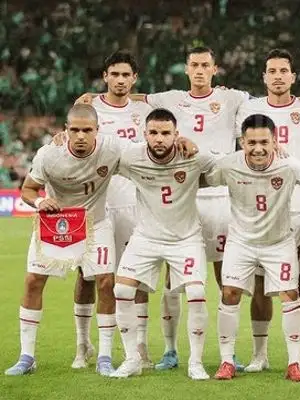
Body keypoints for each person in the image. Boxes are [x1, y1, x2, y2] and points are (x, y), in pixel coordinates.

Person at [77, 46, 300, 371]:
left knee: (228, 278)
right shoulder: (169, 99)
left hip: (221, 196)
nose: (199, 70)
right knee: (172, 278)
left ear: (214, 69)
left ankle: (230, 353)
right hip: (185, 196)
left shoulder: (235, 98)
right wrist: (94, 96)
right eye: (194, 64)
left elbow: (275, 94)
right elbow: (133, 96)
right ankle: (169, 349)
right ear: (186, 68)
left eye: (205, 65)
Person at [5, 104, 122, 376]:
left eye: (87, 130)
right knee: (33, 280)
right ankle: (27, 356)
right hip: (56, 224)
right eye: (75, 130)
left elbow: (148, 150)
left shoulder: (113, 149)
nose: (81, 136)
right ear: (65, 130)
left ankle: (104, 355)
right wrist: (41, 200)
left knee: (105, 282)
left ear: (97, 131)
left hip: (96, 223)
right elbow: (28, 190)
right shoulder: (49, 155)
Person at [206, 114, 300, 382]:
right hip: (240, 242)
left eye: (264, 142)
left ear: (275, 141)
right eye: (252, 142)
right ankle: (226, 361)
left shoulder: (289, 166)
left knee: (290, 294)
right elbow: (199, 177)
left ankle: (294, 364)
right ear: (242, 142)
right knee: (230, 293)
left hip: (279, 243)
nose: (258, 148)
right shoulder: (228, 164)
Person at [110, 108, 214, 379]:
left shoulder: (194, 156)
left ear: (176, 134)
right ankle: (133, 358)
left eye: (165, 133)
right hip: (146, 236)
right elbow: (99, 152)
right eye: (153, 133)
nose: (159, 138)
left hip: (186, 238)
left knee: (195, 294)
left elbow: (224, 165)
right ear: (144, 134)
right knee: (121, 289)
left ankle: (195, 362)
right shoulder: (131, 157)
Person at [235, 49, 300, 374]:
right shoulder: (249, 108)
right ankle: (260, 354)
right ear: (264, 77)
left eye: (284, 70)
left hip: (299, 210)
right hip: (261, 211)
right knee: (259, 285)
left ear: (293, 77)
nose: (278, 76)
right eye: (272, 71)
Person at [71, 50, 154, 371]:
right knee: (87, 275)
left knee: (137, 276)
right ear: (104, 76)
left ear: (134, 79)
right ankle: (83, 344)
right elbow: (72, 138)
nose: (120, 80)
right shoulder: (89, 109)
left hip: (135, 204)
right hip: (96, 204)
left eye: (126, 75)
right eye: (114, 74)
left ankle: (140, 346)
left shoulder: (144, 109)